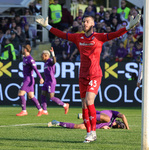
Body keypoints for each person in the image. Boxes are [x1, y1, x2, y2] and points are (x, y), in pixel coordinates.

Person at [36, 13, 140, 143]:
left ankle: (93, 132)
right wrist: (47, 26)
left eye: (87, 21)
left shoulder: (99, 37)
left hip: (95, 74)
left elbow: (115, 34)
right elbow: (62, 35)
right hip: (82, 75)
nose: (84, 23)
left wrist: (128, 27)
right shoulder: (78, 37)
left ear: (93, 24)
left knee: (90, 101)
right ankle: (89, 133)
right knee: (84, 105)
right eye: (83, 21)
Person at [16, 44, 44, 116]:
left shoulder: (30, 59)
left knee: (20, 93)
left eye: (22, 48)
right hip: (26, 78)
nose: (21, 50)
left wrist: (41, 78)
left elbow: (35, 69)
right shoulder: (24, 57)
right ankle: (40, 109)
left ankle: (24, 111)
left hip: (28, 79)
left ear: (25, 49)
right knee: (31, 96)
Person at [41, 47, 69, 115]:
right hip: (46, 81)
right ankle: (45, 110)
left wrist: (53, 53)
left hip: (51, 81)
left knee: (51, 97)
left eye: (42, 55)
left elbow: (54, 61)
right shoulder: (45, 63)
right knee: (43, 94)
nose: (41, 57)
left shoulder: (50, 60)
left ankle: (65, 105)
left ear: (46, 55)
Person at [48, 109, 130, 130]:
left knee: (80, 127)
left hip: (95, 123)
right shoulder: (113, 114)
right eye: (122, 125)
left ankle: (58, 123)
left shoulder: (109, 126)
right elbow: (123, 116)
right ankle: (84, 115)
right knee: (107, 119)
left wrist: (102, 127)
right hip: (96, 115)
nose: (120, 126)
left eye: (121, 127)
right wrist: (128, 128)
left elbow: (101, 124)